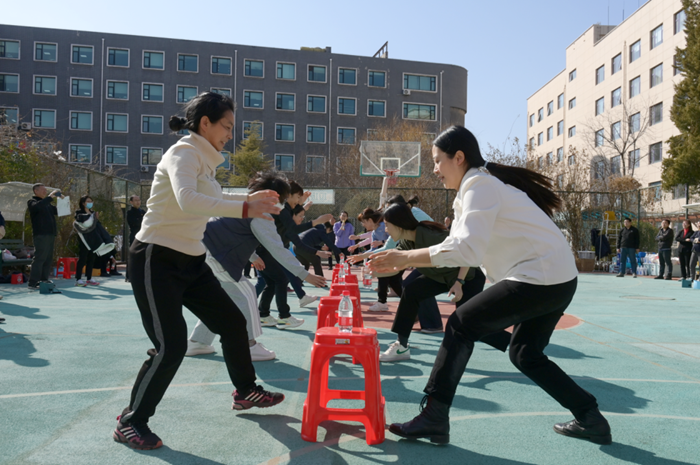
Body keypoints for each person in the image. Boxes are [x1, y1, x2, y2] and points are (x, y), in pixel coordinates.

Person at [369, 126, 611, 446]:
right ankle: (590, 417)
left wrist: (404, 259)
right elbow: (465, 245)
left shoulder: (480, 185)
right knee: (525, 353)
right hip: (556, 279)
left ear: (459, 157)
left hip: (538, 277)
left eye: (438, 161)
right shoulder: (477, 187)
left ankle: (434, 415)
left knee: (460, 324)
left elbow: (465, 248)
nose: (435, 169)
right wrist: (457, 280)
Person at [114, 92, 283, 451]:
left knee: (233, 323)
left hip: (191, 260)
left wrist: (249, 205)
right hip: (156, 259)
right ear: (204, 123)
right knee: (170, 347)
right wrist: (245, 206)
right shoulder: (183, 153)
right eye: (226, 126)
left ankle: (245, 392)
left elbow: (207, 205)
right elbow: (188, 199)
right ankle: (132, 422)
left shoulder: (206, 161)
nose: (229, 134)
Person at [185, 173, 327, 360]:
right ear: (275, 198)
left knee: (224, 301)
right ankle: (249, 345)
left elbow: (229, 231)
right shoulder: (261, 215)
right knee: (247, 293)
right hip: (216, 257)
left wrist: (253, 255)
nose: (283, 204)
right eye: (283, 199)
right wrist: (303, 274)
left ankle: (197, 342)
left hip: (205, 251)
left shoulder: (243, 206)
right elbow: (277, 248)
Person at [374, 202, 511, 362]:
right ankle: (401, 346)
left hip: (467, 275)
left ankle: (513, 341)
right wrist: (375, 268)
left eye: (387, 225)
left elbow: (465, 253)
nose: (385, 230)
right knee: (411, 291)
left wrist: (459, 282)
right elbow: (397, 265)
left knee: (467, 323)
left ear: (399, 224)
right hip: (442, 276)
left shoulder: (432, 236)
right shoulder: (408, 240)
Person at [348, 208, 399, 312]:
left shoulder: (385, 226)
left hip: (394, 257)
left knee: (389, 280)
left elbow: (395, 240)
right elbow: (373, 249)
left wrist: (382, 242)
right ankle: (383, 302)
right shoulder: (374, 233)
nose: (363, 225)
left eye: (364, 222)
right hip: (384, 259)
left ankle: (383, 302)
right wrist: (363, 255)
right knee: (391, 281)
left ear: (370, 220)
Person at [27, 183, 63, 290]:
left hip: (50, 234)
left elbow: (59, 211)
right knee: (40, 257)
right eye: (42, 190)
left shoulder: (47, 204)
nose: (45, 192)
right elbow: (38, 207)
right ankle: (33, 282)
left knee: (48, 258)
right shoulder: (32, 202)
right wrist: (50, 197)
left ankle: (43, 280)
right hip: (41, 234)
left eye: (45, 190)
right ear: (35, 191)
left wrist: (62, 200)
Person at [73, 195, 101, 286]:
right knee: (83, 258)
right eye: (88, 201)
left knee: (91, 258)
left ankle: (89, 278)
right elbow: (79, 222)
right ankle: (78, 279)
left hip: (93, 238)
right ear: (83, 203)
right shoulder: (78, 212)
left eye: (91, 201)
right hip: (83, 239)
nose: (90, 203)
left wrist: (97, 218)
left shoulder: (93, 213)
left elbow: (97, 225)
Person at [125, 195, 145, 282]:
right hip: (134, 236)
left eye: (139, 200)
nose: (138, 202)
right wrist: (141, 220)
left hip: (144, 236)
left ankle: (141, 275)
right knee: (132, 256)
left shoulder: (143, 211)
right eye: (135, 200)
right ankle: (129, 276)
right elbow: (135, 223)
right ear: (131, 202)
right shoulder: (130, 212)